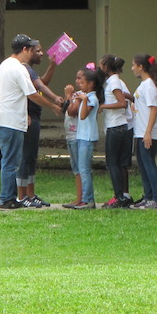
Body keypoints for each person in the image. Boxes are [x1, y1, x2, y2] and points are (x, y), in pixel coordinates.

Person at [0, 35, 55, 210]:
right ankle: (7, 199)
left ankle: (9, 197)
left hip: (1, 118)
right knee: (11, 162)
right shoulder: (18, 69)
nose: (33, 52)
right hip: (9, 121)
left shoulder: (5, 65)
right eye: (31, 49)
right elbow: (32, 94)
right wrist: (53, 106)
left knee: (9, 160)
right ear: (25, 50)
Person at [17, 41, 63, 208]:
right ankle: (22, 196)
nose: (42, 53)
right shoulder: (24, 69)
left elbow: (42, 83)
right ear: (28, 51)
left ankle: (31, 194)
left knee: (31, 157)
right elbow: (40, 86)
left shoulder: (30, 71)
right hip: (28, 118)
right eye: (38, 51)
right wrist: (55, 99)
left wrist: (52, 65)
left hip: (35, 116)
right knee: (26, 157)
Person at [130, 53, 157, 208]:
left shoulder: (150, 85)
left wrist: (148, 132)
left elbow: (153, 110)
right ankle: (148, 195)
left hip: (148, 131)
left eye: (134, 65)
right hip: (140, 130)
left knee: (149, 163)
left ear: (141, 67)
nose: (132, 69)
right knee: (143, 164)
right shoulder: (143, 85)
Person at [98, 54, 134, 208]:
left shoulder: (113, 82)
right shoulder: (116, 81)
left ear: (106, 67)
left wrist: (104, 106)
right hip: (122, 126)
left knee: (112, 163)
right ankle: (125, 195)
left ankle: (118, 196)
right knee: (121, 163)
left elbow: (122, 103)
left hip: (115, 126)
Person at [67, 67, 100, 209]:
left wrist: (84, 99)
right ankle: (85, 199)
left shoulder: (92, 98)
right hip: (82, 136)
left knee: (84, 169)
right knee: (82, 168)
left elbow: (83, 115)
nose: (79, 83)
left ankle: (88, 200)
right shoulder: (85, 97)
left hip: (87, 137)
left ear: (91, 84)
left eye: (83, 82)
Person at [60, 82, 81, 209]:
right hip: (70, 136)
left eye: (80, 79)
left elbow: (72, 112)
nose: (77, 81)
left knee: (79, 169)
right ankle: (79, 197)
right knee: (75, 168)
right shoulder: (75, 97)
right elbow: (65, 111)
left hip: (76, 136)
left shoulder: (80, 96)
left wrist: (68, 96)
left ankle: (81, 198)